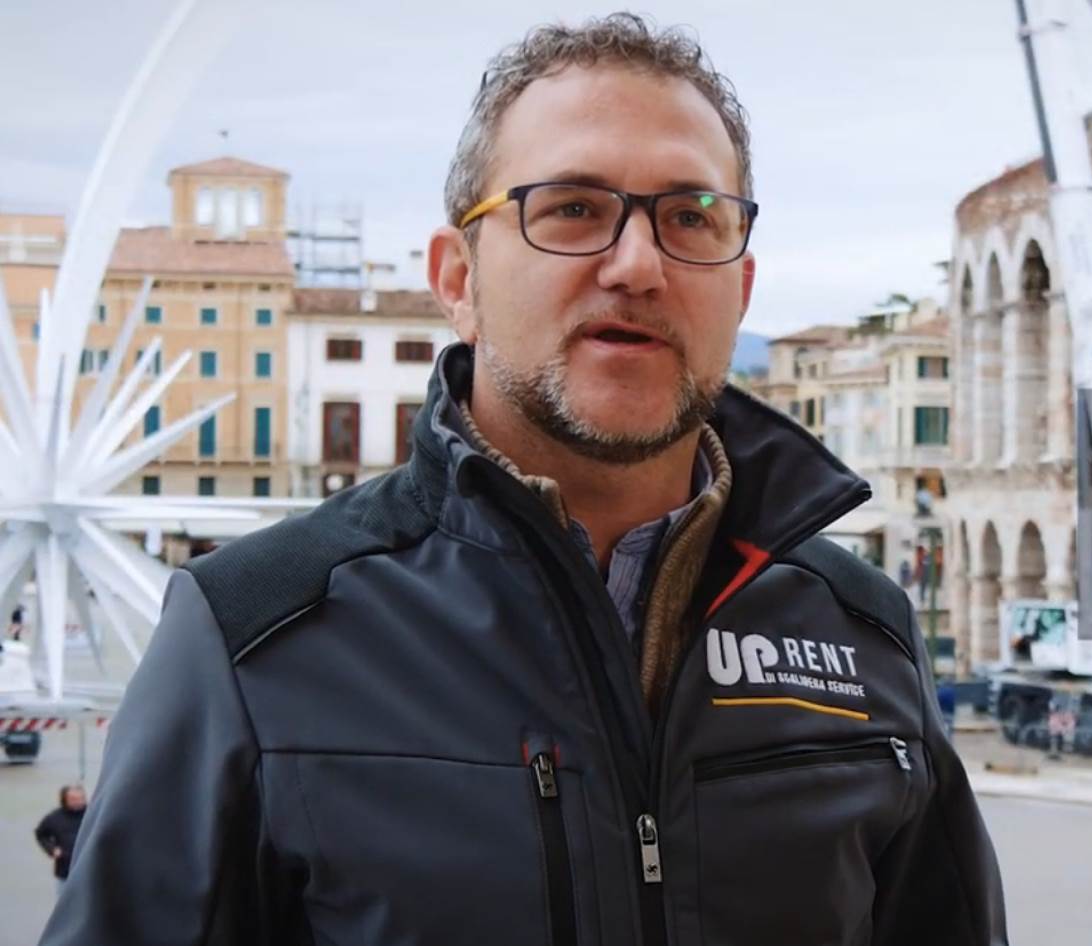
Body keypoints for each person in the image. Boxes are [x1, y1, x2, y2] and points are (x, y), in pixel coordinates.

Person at [44, 14, 1006, 946]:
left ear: (740, 287)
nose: (637, 264)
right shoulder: (254, 638)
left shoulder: (862, 631)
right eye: (573, 210)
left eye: (691, 217)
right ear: (458, 280)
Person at [34, 786, 85, 895]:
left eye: (81, 798)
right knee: (64, 906)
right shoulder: (54, 818)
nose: (78, 802)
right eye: (73, 799)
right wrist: (51, 849)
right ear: (64, 800)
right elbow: (40, 834)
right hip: (64, 870)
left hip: (89, 869)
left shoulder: (93, 814)